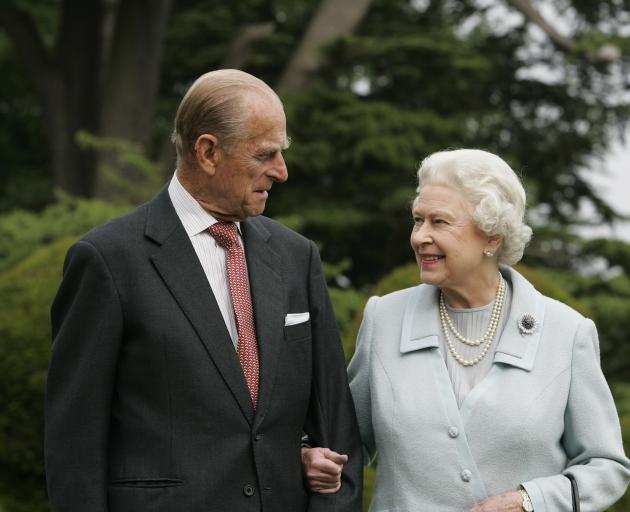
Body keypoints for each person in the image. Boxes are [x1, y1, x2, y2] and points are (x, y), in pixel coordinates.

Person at [45, 69, 362, 512]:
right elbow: (74, 443)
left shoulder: (297, 257)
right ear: (208, 152)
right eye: (266, 154)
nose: (282, 171)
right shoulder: (107, 260)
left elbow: (336, 429)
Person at [303, 148, 630, 511]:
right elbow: (345, 444)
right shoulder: (385, 318)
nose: (419, 237)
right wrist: (312, 456)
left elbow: (607, 467)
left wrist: (529, 501)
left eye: (439, 222)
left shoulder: (566, 333)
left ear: (492, 236)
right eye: (417, 220)